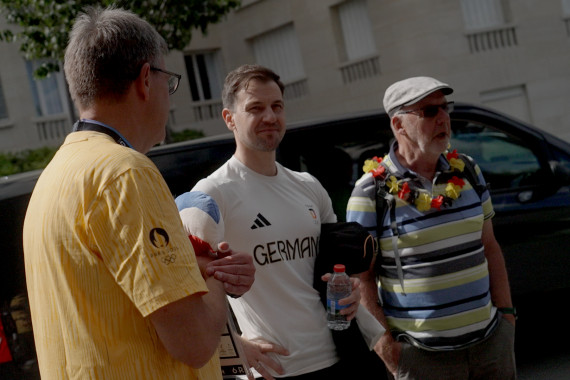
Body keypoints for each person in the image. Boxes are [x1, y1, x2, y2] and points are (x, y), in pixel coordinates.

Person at [22, 7, 254, 380]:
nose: (170, 96)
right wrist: (218, 278)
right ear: (147, 79)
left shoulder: (55, 175)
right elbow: (193, 342)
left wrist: (195, 267)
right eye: (170, 81)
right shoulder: (125, 172)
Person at [175, 64, 385, 379]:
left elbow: (332, 269)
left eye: (277, 106)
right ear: (229, 118)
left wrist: (351, 290)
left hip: (342, 357)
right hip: (275, 370)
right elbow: (182, 285)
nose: (270, 117)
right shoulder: (211, 193)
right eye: (255, 108)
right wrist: (233, 347)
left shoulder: (308, 186)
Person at [346, 76, 517, 379]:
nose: (442, 118)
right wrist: (388, 348)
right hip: (422, 358)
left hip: (491, 345)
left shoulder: (468, 170)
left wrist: (507, 318)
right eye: (428, 112)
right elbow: (362, 278)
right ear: (398, 125)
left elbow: (490, 246)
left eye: (444, 108)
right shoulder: (370, 191)